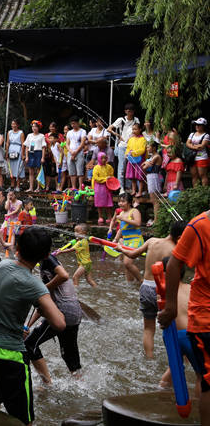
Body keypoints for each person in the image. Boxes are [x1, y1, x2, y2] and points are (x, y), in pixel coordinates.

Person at [0, 227, 66, 425]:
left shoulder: (2, 266)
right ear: (45, 256)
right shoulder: (34, 285)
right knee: (23, 420)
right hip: (9, 354)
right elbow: (59, 323)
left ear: (16, 247)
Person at [158, 209, 210, 425]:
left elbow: (173, 264)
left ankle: (162, 388)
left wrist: (168, 307)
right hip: (203, 321)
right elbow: (174, 263)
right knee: (206, 379)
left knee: (200, 377)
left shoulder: (199, 225)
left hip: (189, 329)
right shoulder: (199, 225)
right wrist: (169, 307)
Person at [117, 221, 187, 358]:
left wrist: (120, 248)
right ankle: (178, 360)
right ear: (180, 237)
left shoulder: (152, 241)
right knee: (172, 328)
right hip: (163, 291)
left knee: (148, 328)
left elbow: (132, 255)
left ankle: (149, 357)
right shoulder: (175, 251)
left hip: (146, 287)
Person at [24, 250, 83, 384]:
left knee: (29, 345)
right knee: (68, 354)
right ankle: (79, 384)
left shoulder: (47, 258)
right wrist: (27, 325)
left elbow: (64, 275)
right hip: (74, 312)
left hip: (62, 312)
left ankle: (47, 383)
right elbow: (44, 304)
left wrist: (43, 288)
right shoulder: (47, 264)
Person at [108, 104, 140, 195]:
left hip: (132, 146)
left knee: (130, 167)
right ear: (125, 111)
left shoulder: (136, 120)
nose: (130, 112)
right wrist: (117, 135)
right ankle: (121, 187)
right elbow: (109, 129)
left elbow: (137, 130)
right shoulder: (121, 120)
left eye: (131, 110)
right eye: (128, 110)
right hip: (122, 146)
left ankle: (128, 187)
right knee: (121, 167)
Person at [112, 193, 144, 284]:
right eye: (119, 201)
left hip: (135, 240)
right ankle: (130, 283)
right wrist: (115, 239)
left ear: (129, 202)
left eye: (123, 201)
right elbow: (121, 229)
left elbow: (138, 223)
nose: (120, 203)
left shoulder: (134, 211)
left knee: (127, 263)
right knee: (126, 265)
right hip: (126, 241)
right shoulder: (122, 213)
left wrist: (123, 218)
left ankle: (141, 281)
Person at [59, 223, 96, 287]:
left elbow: (71, 249)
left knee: (75, 277)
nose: (75, 233)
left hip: (84, 264)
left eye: (77, 231)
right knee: (89, 280)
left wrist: (61, 251)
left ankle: (75, 292)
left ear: (83, 233)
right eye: (75, 231)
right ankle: (96, 288)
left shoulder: (80, 243)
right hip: (88, 263)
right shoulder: (85, 240)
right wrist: (77, 239)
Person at [143, 141, 163, 226]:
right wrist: (145, 163)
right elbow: (143, 165)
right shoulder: (152, 157)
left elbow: (145, 166)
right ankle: (156, 219)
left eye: (149, 147)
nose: (147, 149)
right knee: (154, 200)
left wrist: (145, 163)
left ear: (154, 148)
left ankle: (156, 220)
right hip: (150, 177)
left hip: (154, 176)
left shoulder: (156, 156)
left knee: (155, 200)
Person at [92, 152, 114, 225]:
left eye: (105, 158)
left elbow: (112, 175)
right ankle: (100, 216)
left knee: (108, 202)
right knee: (99, 203)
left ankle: (109, 217)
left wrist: (111, 179)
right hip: (99, 187)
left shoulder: (109, 167)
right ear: (98, 158)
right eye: (102, 158)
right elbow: (96, 178)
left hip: (108, 187)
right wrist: (105, 179)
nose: (104, 159)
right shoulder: (96, 168)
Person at [186, 117, 210, 187]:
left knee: (202, 175)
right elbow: (187, 143)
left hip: (202, 157)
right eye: (196, 124)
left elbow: (202, 146)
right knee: (194, 175)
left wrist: (192, 145)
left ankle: (204, 192)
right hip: (192, 157)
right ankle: (195, 192)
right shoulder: (192, 134)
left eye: (199, 125)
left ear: (203, 126)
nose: (197, 126)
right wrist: (195, 146)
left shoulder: (206, 135)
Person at [125, 123, 147, 196]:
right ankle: (134, 190)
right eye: (133, 129)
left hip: (140, 160)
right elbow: (128, 148)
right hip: (131, 160)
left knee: (140, 177)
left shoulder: (143, 139)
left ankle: (140, 191)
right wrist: (127, 154)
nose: (133, 131)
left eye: (135, 129)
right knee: (132, 176)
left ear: (140, 129)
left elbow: (142, 150)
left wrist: (134, 152)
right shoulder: (131, 139)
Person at [66, 117, 87, 190]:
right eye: (71, 124)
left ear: (78, 123)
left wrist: (75, 152)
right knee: (72, 171)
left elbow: (82, 143)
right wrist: (71, 151)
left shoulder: (83, 131)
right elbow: (67, 143)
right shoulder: (69, 132)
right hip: (70, 152)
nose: (73, 125)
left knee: (80, 170)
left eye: (74, 123)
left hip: (79, 152)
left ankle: (80, 187)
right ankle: (74, 186)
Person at [24, 121, 45, 192]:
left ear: (38, 127)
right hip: (31, 153)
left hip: (38, 153)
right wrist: (26, 156)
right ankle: (31, 187)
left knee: (38, 171)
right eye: (33, 126)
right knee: (31, 171)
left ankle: (38, 187)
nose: (34, 128)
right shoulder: (29, 135)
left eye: (35, 126)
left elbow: (43, 147)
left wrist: (42, 157)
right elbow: (27, 146)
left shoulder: (41, 136)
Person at [5, 120, 25, 192]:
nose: (13, 125)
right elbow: (7, 143)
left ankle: (18, 186)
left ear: (18, 125)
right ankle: (12, 185)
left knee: (18, 168)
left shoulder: (21, 133)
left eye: (15, 124)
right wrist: (6, 152)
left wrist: (23, 154)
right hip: (11, 149)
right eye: (12, 124)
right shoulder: (9, 132)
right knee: (11, 168)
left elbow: (23, 144)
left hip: (18, 150)